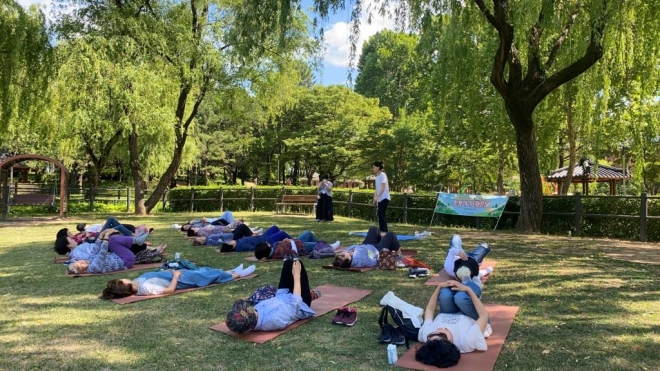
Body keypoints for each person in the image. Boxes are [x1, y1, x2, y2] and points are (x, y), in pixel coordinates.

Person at [225, 260, 321, 333]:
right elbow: (296, 302)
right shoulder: (275, 319)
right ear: (248, 315)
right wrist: (296, 276)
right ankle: (310, 295)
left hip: (282, 295)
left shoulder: (255, 313)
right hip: (301, 303)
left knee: (288, 262)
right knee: (297, 263)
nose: (246, 308)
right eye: (244, 310)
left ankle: (310, 293)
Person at [415, 279, 492, 368]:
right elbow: (483, 315)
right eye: (441, 334)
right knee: (461, 298)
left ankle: (459, 282)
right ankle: (470, 281)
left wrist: (439, 287)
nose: (437, 330)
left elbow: (430, 310)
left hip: (448, 313)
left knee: (444, 294)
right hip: (473, 317)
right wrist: (468, 289)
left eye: (433, 334)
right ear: (451, 342)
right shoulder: (467, 341)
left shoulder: (427, 336)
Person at [100, 264, 256, 298]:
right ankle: (237, 274)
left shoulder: (135, 282)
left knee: (206, 270)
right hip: (180, 280)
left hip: (175, 274)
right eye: (122, 279)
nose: (124, 278)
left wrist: (106, 293)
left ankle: (231, 270)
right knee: (209, 276)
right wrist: (174, 276)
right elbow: (168, 291)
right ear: (125, 284)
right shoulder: (145, 288)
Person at [67, 229, 163, 274]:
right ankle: (136, 240)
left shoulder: (89, 262)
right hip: (126, 260)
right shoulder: (93, 268)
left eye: (79, 262)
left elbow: (95, 250)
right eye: (80, 265)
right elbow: (102, 254)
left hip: (119, 256)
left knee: (112, 239)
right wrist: (106, 237)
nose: (81, 262)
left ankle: (136, 239)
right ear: (82, 271)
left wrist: (102, 234)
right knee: (112, 240)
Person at [331, 226, 400, 268]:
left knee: (373, 229)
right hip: (376, 250)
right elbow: (373, 262)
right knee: (390, 235)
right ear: (348, 260)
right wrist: (381, 257)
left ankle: (383, 242)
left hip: (366, 245)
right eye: (342, 256)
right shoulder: (360, 260)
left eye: (340, 255)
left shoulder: (349, 253)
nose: (341, 254)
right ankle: (399, 255)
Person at [372, 161, 391, 232]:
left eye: (374, 167)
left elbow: (383, 187)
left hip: (385, 197)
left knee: (381, 213)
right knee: (380, 214)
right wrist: (375, 197)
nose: (373, 169)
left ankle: (384, 231)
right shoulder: (377, 177)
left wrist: (378, 196)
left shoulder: (383, 175)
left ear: (378, 167)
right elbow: (377, 188)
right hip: (380, 198)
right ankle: (382, 230)